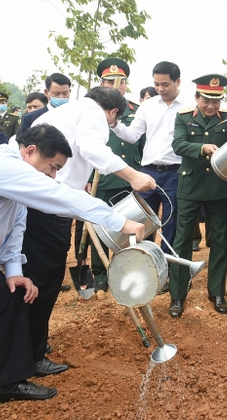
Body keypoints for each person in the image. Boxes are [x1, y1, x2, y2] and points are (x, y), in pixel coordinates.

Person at [0, 124, 146, 402]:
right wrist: (119, 222)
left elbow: (15, 231)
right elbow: (58, 196)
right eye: (52, 167)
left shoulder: (14, 186)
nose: (53, 176)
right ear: (30, 151)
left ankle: (8, 382)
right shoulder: (0, 165)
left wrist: (13, 272)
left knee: (10, 298)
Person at [24, 88, 156, 376]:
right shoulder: (94, 113)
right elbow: (92, 148)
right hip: (50, 208)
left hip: (37, 203)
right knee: (44, 281)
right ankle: (31, 356)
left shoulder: (65, 111)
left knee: (34, 277)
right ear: (112, 113)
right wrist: (132, 174)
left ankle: (30, 344)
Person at [171, 74, 227, 317]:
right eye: (206, 100)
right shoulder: (184, 117)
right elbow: (178, 144)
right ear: (197, 97)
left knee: (219, 241)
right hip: (190, 187)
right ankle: (177, 294)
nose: (211, 106)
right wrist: (201, 148)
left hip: (219, 187)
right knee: (182, 240)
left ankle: (216, 293)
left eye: (215, 101)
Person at [82, 58, 144, 290]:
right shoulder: (91, 111)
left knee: (130, 225)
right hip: (103, 178)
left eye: (121, 81)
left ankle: (126, 269)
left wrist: (139, 174)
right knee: (101, 225)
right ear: (101, 84)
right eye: (109, 82)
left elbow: (142, 144)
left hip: (129, 178)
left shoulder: (135, 110)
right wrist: (88, 178)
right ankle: (101, 273)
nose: (116, 86)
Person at [111, 61, 183, 255]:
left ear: (177, 82)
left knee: (171, 222)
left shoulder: (188, 107)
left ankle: (167, 263)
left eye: (165, 84)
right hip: (148, 173)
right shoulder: (147, 106)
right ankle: (145, 261)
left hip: (176, 173)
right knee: (142, 220)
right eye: (156, 84)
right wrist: (115, 124)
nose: (160, 89)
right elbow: (132, 135)